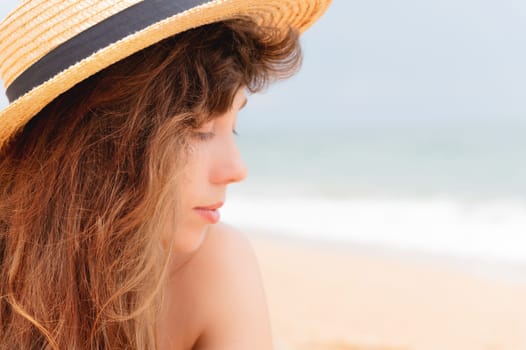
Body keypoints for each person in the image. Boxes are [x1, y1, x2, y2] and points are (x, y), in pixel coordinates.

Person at [0, 1, 331, 349]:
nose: (236, 170)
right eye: (200, 129)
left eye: (231, 129)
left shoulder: (213, 268)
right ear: (97, 141)